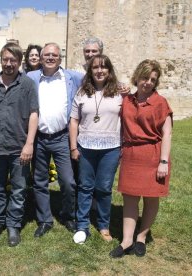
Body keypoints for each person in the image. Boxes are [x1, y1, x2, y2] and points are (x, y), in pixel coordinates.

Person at [0, 42, 39, 247]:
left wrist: (29, 144)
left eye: (13, 60)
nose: (9, 63)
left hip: (19, 147)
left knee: (19, 189)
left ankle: (13, 225)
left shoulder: (28, 85)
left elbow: (33, 114)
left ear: (20, 62)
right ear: (0, 61)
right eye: (5, 59)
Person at [110, 59, 173, 258]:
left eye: (153, 79)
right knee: (130, 198)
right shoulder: (126, 99)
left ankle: (141, 237)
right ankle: (127, 240)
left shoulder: (160, 102)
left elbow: (167, 133)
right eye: (145, 77)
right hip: (131, 155)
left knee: (151, 198)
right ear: (138, 76)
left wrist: (163, 161)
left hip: (153, 155)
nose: (148, 82)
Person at [27, 42, 83, 238]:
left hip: (61, 138)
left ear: (60, 59)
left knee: (68, 181)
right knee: (39, 182)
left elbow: (96, 78)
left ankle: (67, 215)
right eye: (47, 55)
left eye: (54, 55)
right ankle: (44, 220)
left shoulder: (71, 77)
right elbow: (11, 81)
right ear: (41, 58)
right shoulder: (31, 77)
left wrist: (119, 85)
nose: (50, 58)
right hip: (39, 139)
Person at [69, 55, 122, 244]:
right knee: (85, 187)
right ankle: (82, 225)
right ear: (90, 71)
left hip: (111, 149)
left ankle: (103, 225)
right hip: (86, 148)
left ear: (109, 70)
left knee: (104, 188)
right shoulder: (82, 92)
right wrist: (73, 146)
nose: (100, 71)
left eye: (104, 67)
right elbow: (74, 120)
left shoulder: (119, 92)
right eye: (95, 68)